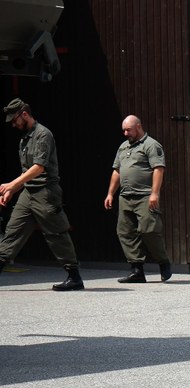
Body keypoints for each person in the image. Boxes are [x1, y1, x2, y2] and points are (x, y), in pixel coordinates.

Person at [0, 98, 84, 291]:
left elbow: (39, 167)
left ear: (24, 114)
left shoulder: (43, 135)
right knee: (13, 232)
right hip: (28, 193)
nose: (13, 124)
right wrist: (13, 190)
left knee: (56, 234)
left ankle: (74, 277)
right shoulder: (25, 138)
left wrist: (12, 184)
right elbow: (27, 171)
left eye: (15, 120)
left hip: (46, 193)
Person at [104, 114, 171, 283]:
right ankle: (137, 270)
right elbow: (117, 171)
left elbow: (158, 169)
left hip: (145, 195)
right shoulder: (123, 147)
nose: (126, 133)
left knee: (149, 230)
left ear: (139, 127)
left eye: (129, 130)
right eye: (124, 130)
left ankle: (163, 263)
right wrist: (110, 193)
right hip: (125, 197)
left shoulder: (151, 145)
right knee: (125, 232)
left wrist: (154, 193)